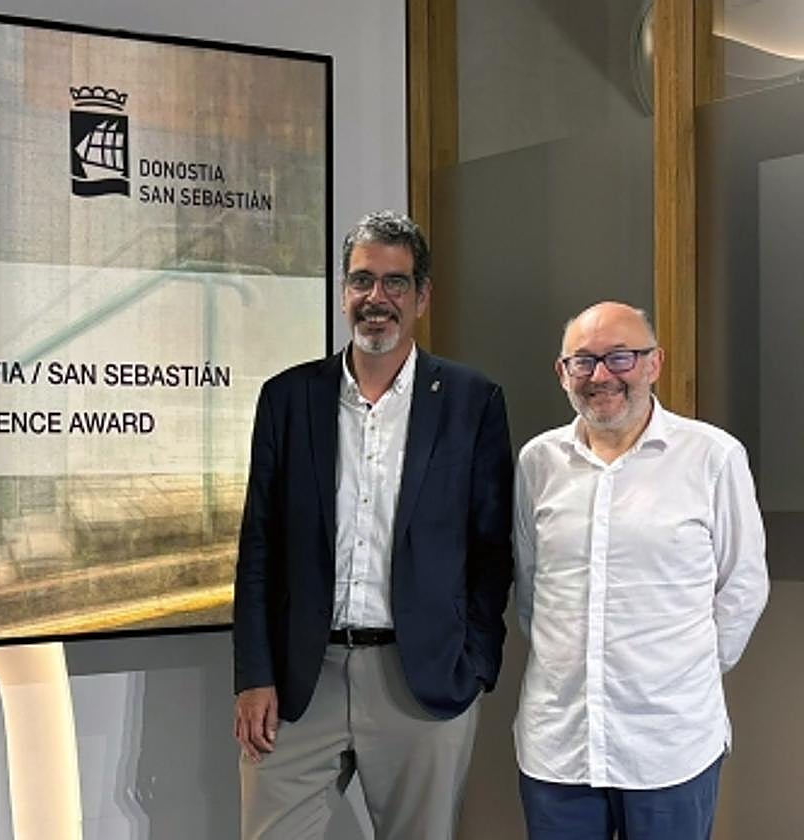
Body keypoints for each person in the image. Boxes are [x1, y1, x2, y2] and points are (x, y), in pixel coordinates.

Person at [232, 210, 514, 839]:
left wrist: (475, 664)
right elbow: (259, 546)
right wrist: (254, 674)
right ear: (342, 293)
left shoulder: (473, 401)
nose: (376, 299)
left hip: (422, 681)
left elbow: (492, 549)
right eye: (362, 281)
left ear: (422, 296)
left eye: (395, 283)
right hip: (301, 680)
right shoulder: (288, 399)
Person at [513, 301, 769, 840]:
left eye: (621, 357)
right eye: (583, 362)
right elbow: (532, 585)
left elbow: (743, 587)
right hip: (560, 746)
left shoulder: (712, 457)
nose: (602, 375)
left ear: (654, 364)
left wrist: (680, 670)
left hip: (669, 746)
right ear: (563, 374)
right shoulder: (537, 463)